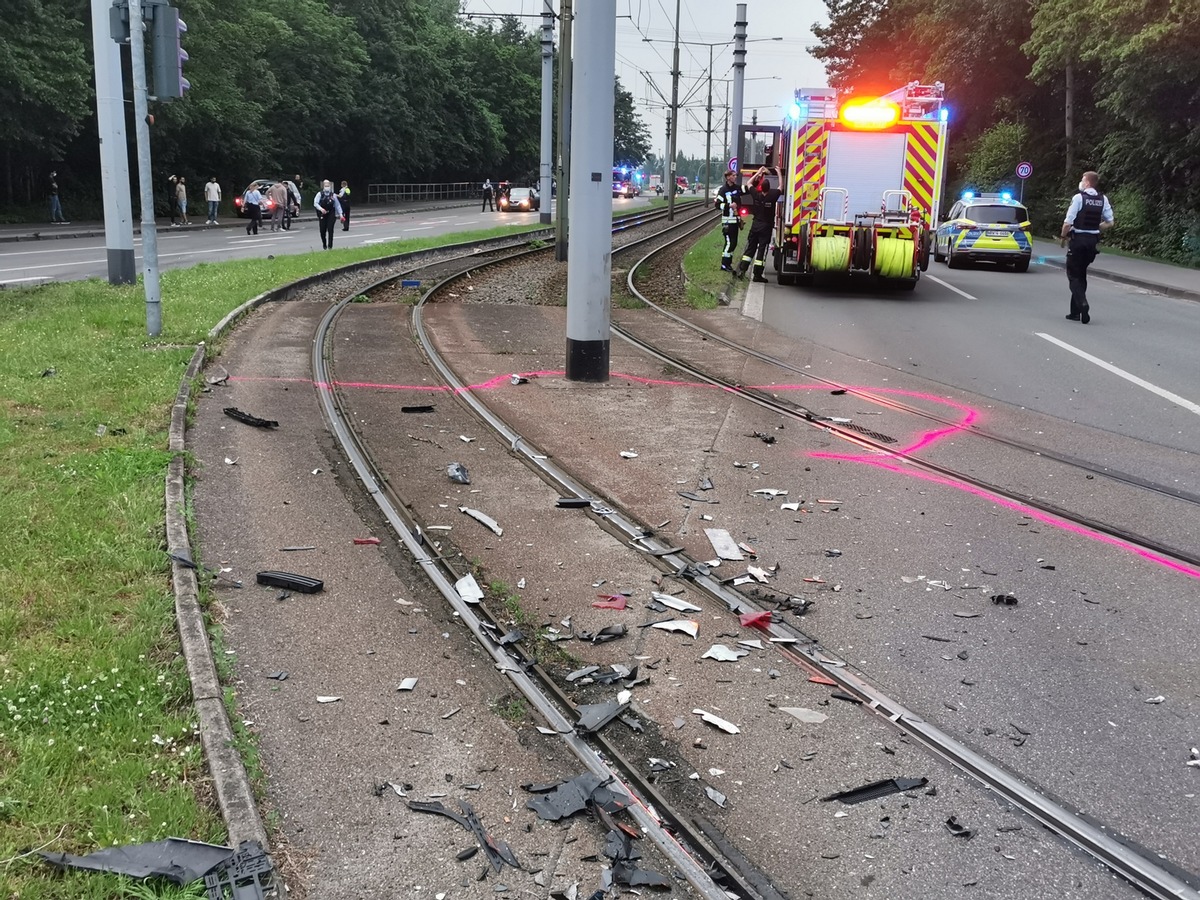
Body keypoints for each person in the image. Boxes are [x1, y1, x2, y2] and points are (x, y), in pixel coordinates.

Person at [1060, 171, 1114, 324]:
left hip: (1078, 241)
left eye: (1082, 180)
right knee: (1081, 273)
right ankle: (1075, 312)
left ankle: (1083, 303)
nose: (1081, 182)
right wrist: (1096, 227)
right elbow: (1110, 222)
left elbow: (1067, 223)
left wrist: (1064, 236)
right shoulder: (1103, 199)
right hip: (1092, 242)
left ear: (1088, 183)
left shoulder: (1079, 198)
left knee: (1073, 275)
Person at [737, 167, 782, 282]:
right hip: (766, 228)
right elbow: (781, 187)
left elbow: (749, 183)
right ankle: (757, 275)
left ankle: (742, 270)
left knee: (750, 249)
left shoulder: (756, 195)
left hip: (755, 226)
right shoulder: (772, 196)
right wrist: (779, 173)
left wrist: (758, 173)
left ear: (761, 187)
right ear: (769, 188)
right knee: (762, 250)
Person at [715, 170, 743, 272]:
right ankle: (724, 264)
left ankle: (728, 263)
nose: (735, 177)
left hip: (735, 221)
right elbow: (717, 205)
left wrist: (757, 177)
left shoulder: (737, 188)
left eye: (735, 175)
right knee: (729, 243)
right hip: (727, 222)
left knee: (734, 243)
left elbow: (747, 189)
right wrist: (728, 206)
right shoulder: (723, 190)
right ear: (728, 177)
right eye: (733, 175)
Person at [313, 179, 344, 249]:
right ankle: (324, 243)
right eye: (325, 185)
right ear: (323, 186)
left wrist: (341, 215)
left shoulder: (333, 195)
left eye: (328, 185)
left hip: (331, 213)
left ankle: (330, 246)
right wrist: (321, 209)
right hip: (323, 213)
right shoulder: (320, 194)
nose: (327, 187)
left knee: (330, 229)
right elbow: (315, 203)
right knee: (322, 230)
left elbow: (337, 205)